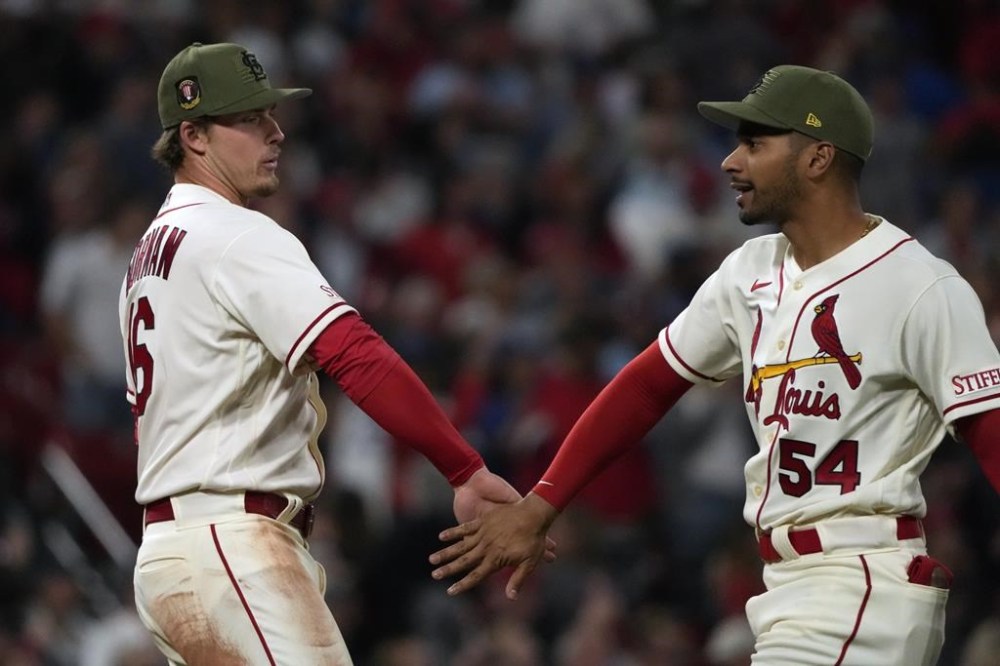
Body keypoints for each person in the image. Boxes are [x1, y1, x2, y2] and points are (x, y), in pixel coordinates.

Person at [429, 65, 1000, 665]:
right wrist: (542, 503)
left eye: (755, 144)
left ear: (818, 158)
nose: (731, 161)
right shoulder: (750, 270)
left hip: (861, 582)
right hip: (794, 585)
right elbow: (647, 385)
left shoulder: (918, 285)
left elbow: (988, 430)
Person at [120, 42, 549, 665]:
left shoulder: (146, 256)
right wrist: (463, 469)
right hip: (232, 545)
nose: (276, 131)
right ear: (194, 136)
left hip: (171, 550)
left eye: (270, 113)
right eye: (250, 119)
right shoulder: (234, 234)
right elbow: (355, 354)